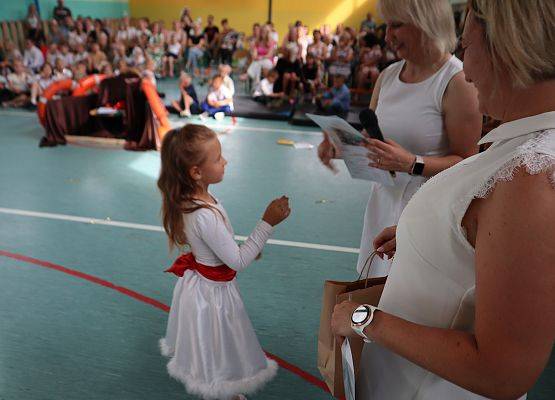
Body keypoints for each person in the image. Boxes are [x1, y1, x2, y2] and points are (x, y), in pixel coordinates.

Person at [331, 0, 555, 398]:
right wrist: (430, 234)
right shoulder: (521, 148)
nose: (466, 70)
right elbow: (483, 227)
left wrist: (365, 318)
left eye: (468, 48)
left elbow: (501, 372)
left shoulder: (531, 175)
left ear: (507, 47)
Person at [318, 0, 482, 277]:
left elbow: (468, 163)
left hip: (427, 215)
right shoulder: (387, 76)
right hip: (382, 208)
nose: (386, 36)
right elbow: (373, 144)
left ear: (424, 23)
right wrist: (340, 148)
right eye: (387, 26)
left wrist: (413, 163)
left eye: (396, 25)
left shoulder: (456, 81)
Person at [158, 125, 290, 400]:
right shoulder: (203, 213)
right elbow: (238, 260)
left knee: (213, 341)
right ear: (196, 171)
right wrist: (267, 222)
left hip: (204, 285)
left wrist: (245, 248)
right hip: (212, 294)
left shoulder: (199, 198)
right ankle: (220, 390)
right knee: (216, 342)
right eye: (218, 158)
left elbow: (223, 246)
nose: (225, 161)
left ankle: (220, 386)